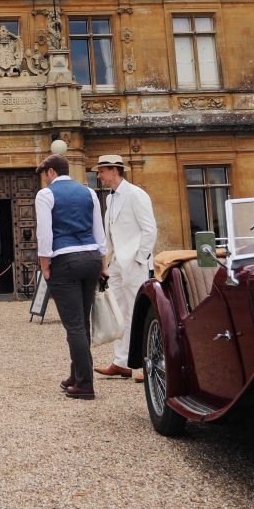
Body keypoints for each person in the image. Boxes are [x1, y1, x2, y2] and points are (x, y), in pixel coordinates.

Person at [34, 154, 105, 400]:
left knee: (73, 325)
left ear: (51, 172)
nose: (44, 179)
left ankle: (85, 384)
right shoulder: (89, 193)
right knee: (82, 322)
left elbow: (44, 234)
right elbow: (99, 230)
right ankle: (76, 375)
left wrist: (45, 265)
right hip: (92, 258)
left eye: (45, 174)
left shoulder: (46, 195)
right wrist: (102, 262)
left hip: (65, 260)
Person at [93, 153, 157, 381]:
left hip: (135, 264)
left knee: (137, 313)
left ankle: (142, 367)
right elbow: (111, 231)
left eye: (101, 171)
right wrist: (107, 261)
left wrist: (140, 259)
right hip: (118, 263)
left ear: (114, 170)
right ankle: (121, 363)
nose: (98, 175)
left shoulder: (136, 194)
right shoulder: (111, 198)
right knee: (119, 312)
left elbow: (150, 229)